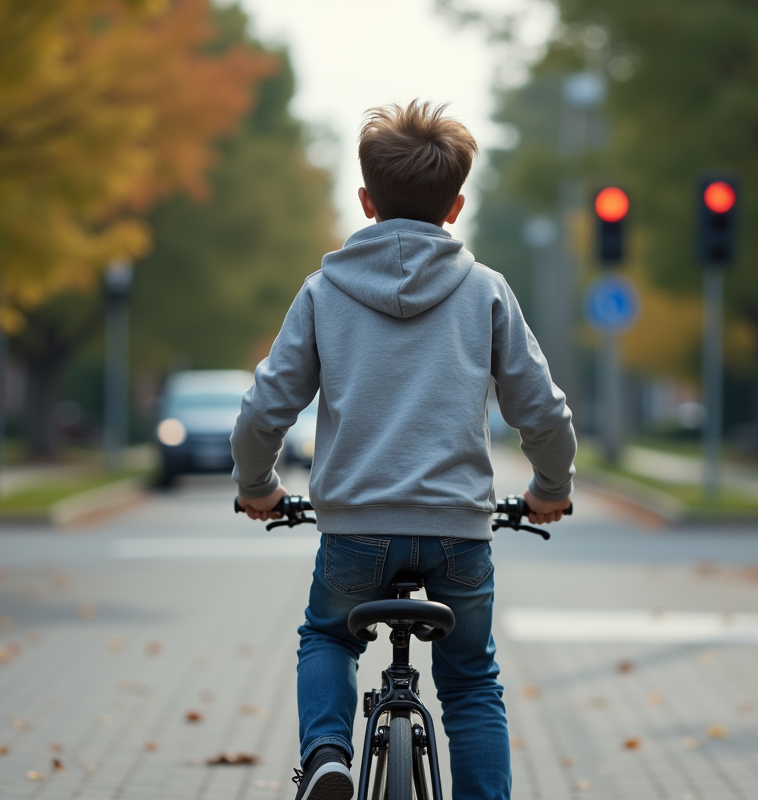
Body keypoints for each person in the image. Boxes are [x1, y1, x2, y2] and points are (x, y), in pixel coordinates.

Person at [232, 100, 577, 800]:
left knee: (327, 638)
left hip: (355, 532)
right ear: (455, 207)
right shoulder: (485, 291)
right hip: (457, 535)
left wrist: (259, 486)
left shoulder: (324, 292)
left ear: (366, 201)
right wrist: (549, 487)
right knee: (472, 681)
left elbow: (266, 407)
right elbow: (540, 410)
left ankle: (327, 754)